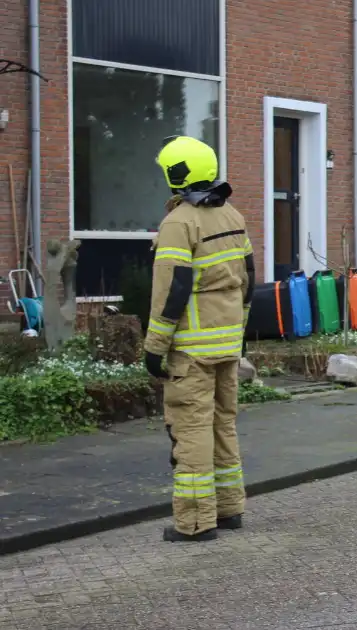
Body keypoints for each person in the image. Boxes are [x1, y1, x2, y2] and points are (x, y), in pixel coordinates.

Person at [144, 135, 255, 542]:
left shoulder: (178, 222)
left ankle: (194, 522)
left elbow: (171, 291)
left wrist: (154, 347)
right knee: (223, 425)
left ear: (177, 175)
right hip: (226, 344)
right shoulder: (233, 215)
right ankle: (229, 509)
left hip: (191, 349)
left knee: (190, 431)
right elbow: (248, 279)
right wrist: (239, 337)